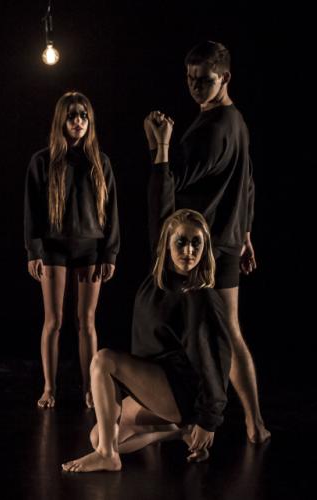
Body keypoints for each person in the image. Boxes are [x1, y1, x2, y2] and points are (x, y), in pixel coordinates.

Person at [62, 113, 232, 473]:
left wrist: (209, 420)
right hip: (156, 384)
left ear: (205, 250)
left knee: (103, 360)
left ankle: (111, 457)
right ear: (167, 246)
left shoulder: (199, 295)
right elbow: (160, 209)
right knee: (99, 434)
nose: (188, 250)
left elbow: (218, 360)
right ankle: (172, 432)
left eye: (196, 245)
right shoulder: (161, 276)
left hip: (181, 390)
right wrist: (161, 149)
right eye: (181, 242)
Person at [146, 41, 269, 442]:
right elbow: (246, 184)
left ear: (225, 78)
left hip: (204, 249)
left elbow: (173, 183)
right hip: (227, 243)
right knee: (224, 332)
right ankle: (250, 422)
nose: (195, 87)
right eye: (190, 78)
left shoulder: (214, 129)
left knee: (208, 335)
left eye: (204, 80)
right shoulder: (237, 121)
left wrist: (160, 147)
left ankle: (208, 422)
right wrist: (246, 236)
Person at [24, 91, 119, 409]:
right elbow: (32, 209)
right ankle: (49, 388)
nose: (78, 121)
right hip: (53, 249)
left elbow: (112, 212)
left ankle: (90, 389)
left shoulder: (100, 161)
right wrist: (33, 250)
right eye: (72, 116)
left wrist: (110, 253)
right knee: (53, 320)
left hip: (90, 249)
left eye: (83, 115)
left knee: (87, 322)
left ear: (89, 121)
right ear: (61, 120)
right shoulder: (42, 161)